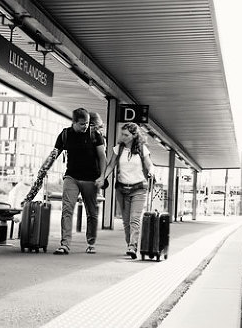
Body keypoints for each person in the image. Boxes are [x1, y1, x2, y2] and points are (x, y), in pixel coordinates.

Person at [38, 108, 106, 255]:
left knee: (91, 213)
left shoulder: (96, 135)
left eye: (88, 123)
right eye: (82, 124)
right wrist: (43, 169)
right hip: (72, 177)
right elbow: (54, 154)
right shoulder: (65, 135)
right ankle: (65, 244)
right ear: (74, 122)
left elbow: (102, 157)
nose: (86, 126)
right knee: (67, 209)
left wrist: (102, 176)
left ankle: (91, 242)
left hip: (90, 179)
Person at [95, 122, 155, 259]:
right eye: (122, 134)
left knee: (134, 219)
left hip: (139, 188)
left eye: (126, 135)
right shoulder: (119, 149)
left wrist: (152, 172)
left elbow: (150, 165)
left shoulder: (142, 149)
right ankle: (130, 244)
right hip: (122, 189)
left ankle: (133, 246)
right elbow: (111, 165)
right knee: (126, 221)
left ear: (134, 136)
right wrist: (102, 178)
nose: (122, 137)